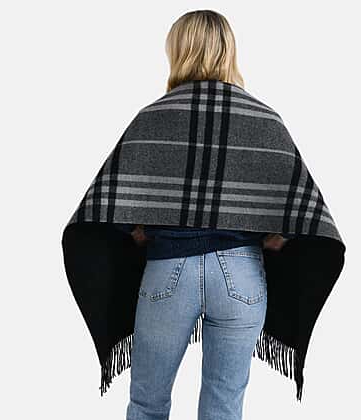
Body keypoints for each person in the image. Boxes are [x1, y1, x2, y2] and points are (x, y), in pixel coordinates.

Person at [120, 10, 290, 420]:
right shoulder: (263, 119)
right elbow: (298, 210)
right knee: (224, 407)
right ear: (230, 51)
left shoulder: (154, 117)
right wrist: (269, 234)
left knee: (147, 404)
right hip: (241, 274)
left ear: (177, 50)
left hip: (168, 270)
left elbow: (115, 202)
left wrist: (142, 230)